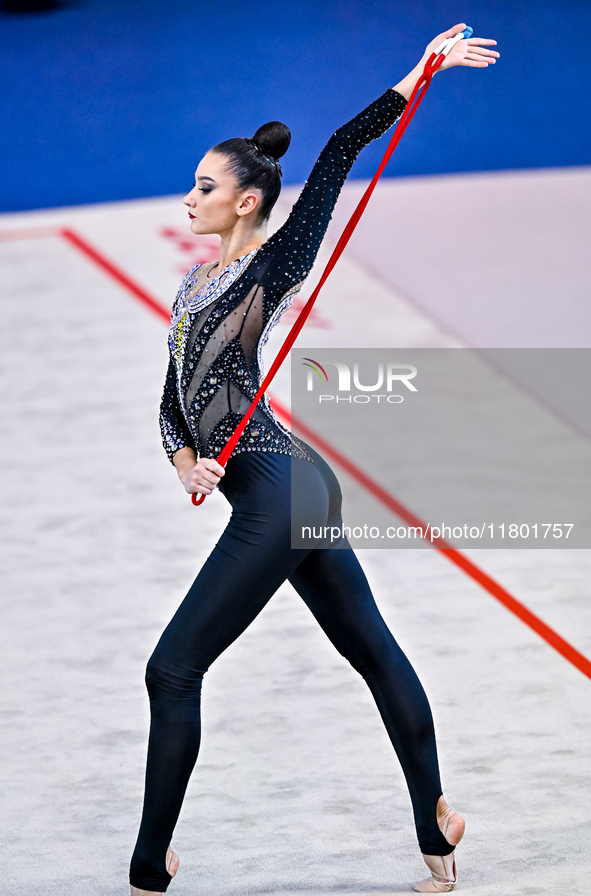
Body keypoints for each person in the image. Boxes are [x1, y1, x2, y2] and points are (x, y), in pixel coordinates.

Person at [129, 23, 499, 895]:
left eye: (205, 186)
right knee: (369, 650)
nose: (191, 197)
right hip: (285, 481)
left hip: (279, 488)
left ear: (247, 202)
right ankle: (434, 827)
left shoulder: (275, 263)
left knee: (171, 668)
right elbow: (170, 399)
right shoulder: (191, 287)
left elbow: (336, 151)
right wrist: (184, 460)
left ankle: (149, 868)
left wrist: (417, 76)